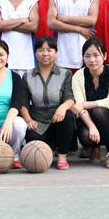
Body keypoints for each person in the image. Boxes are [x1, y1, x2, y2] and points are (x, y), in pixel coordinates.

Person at [20, 36, 76, 170]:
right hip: (38, 121)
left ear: (56, 53)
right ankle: (48, 149)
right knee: (33, 139)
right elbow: (23, 103)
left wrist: (62, 107)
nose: (45, 53)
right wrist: (28, 120)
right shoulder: (27, 76)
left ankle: (62, 157)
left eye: (49, 50)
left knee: (68, 116)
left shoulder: (65, 73)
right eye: (41, 50)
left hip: (58, 119)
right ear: (35, 53)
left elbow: (70, 98)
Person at [71, 37, 109, 169]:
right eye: (87, 56)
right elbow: (79, 106)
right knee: (85, 136)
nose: (92, 60)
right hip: (86, 117)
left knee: (98, 111)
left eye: (96, 55)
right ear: (83, 58)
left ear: (104, 56)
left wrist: (84, 104)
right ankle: (95, 147)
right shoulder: (77, 76)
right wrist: (91, 126)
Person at [48, 0, 99, 70]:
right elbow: (51, 23)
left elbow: (91, 20)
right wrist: (80, 29)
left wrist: (64, 18)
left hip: (86, 56)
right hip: (62, 56)